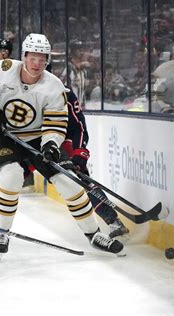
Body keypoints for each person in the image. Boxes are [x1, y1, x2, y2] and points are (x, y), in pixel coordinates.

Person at [0, 33, 124, 255]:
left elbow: (55, 125)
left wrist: (51, 144)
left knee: (69, 183)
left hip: (38, 138)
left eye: (42, 59)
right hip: (5, 136)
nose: (37, 63)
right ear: (24, 56)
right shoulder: (3, 69)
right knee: (10, 176)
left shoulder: (54, 86)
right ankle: (2, 232)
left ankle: (93, 234)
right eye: (33, 57)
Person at [61, 86, 129, 238]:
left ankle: (113, 221)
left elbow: (79, 126)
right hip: (36, 143)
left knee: (81, 182)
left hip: (63, 145)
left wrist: (78, 151)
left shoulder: (64, 93)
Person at [0, 38, 35, 193]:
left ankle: (24, 177)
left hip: (17, 116)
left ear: (5, 52)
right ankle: (8, 176)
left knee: (19, 145)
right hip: (7, 115)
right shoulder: (0, 69)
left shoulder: (13, 69)